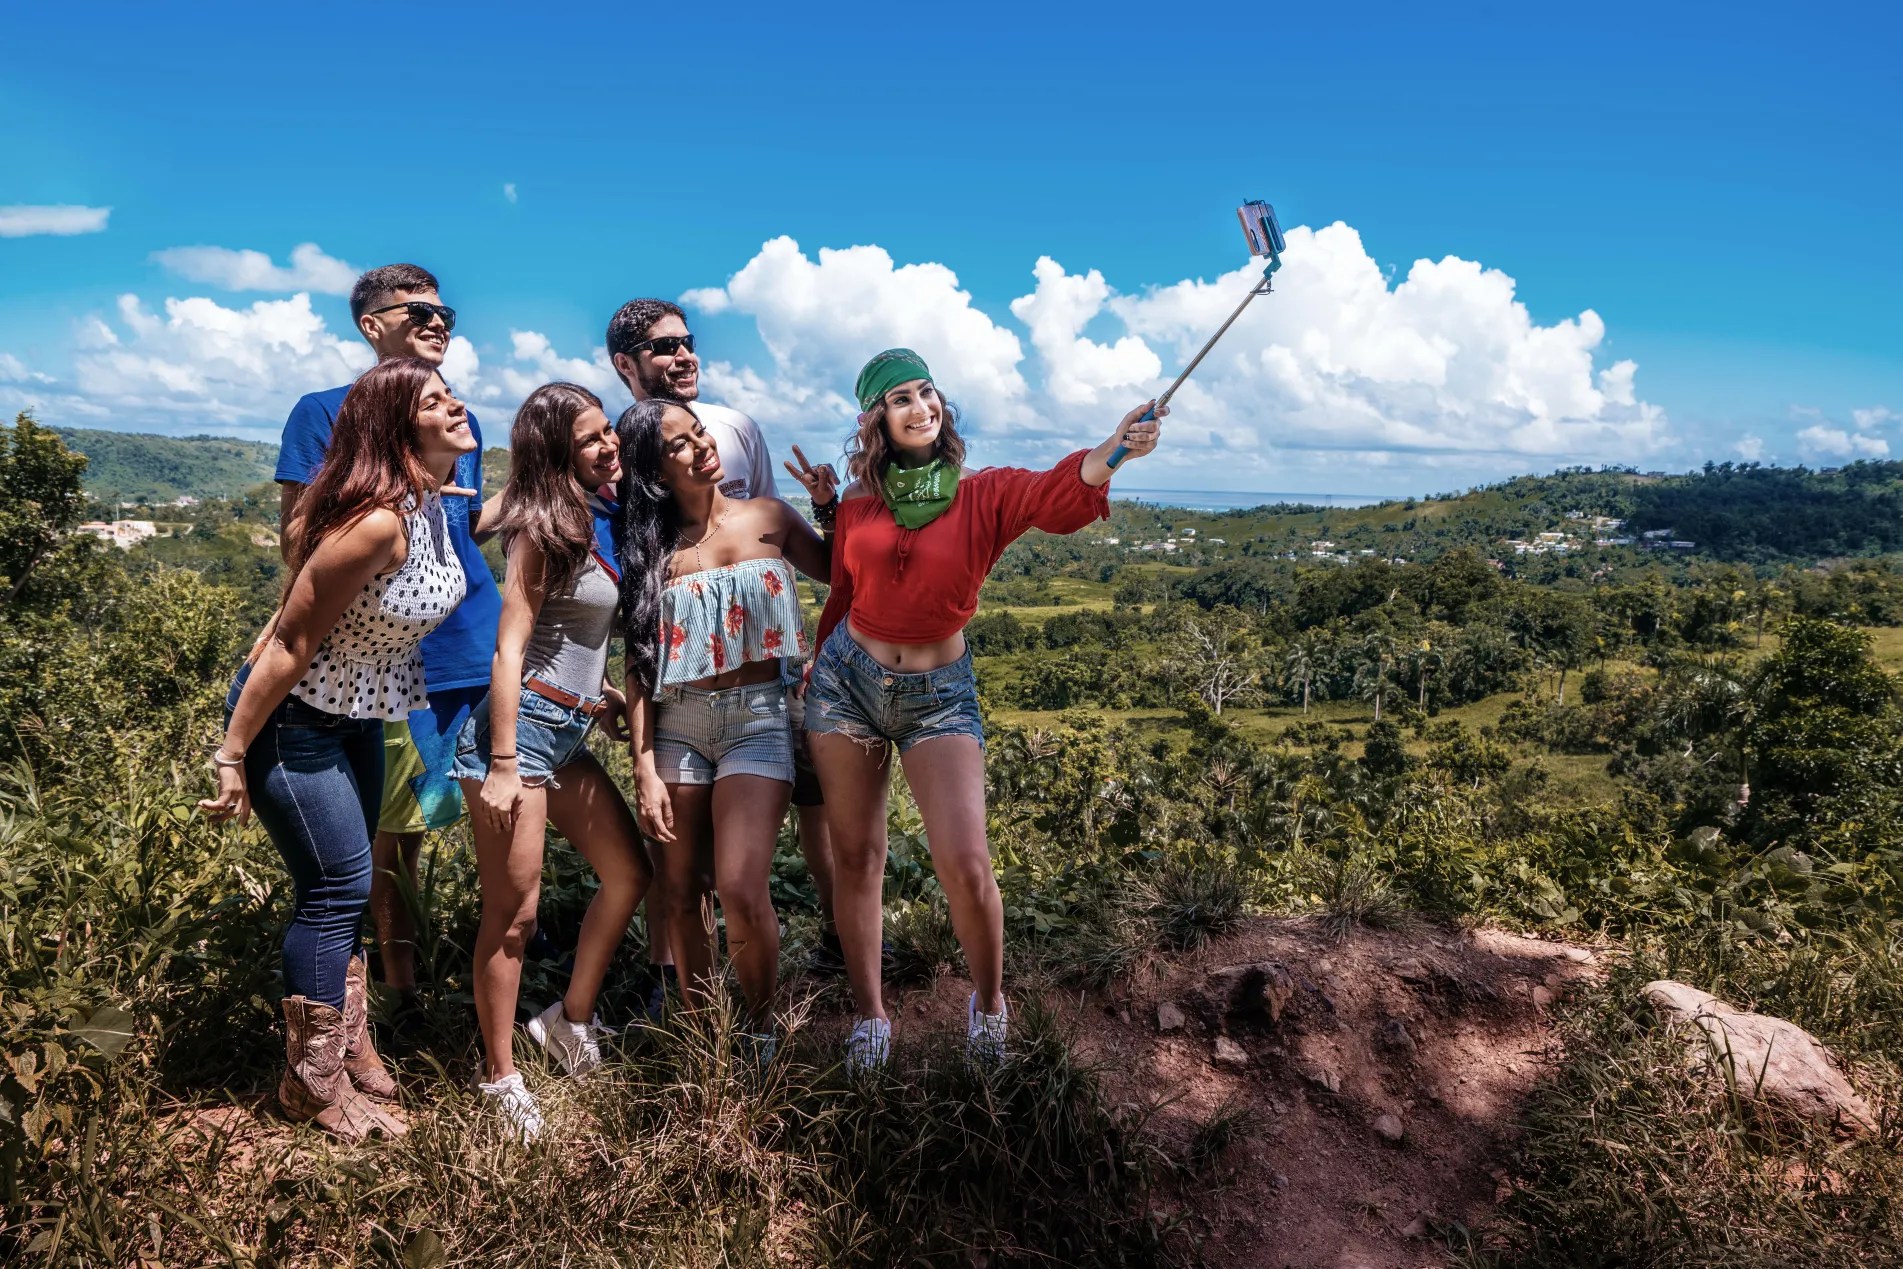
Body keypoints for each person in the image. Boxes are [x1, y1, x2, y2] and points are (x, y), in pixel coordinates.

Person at [808, 349, 1162, 1071]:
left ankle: (990, 1004)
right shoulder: (859, 500)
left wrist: (1117, 447)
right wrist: (819, 659)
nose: (920, 407)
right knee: (856, 858)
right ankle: (871, 1016)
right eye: (900, 398)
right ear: (875, 418)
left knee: (966, 863)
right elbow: (845, 590)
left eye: (927, 392)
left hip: (937, 694)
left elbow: (1059, 491)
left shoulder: (983, 493)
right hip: (845, 685)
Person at [201, 358, 476, 1140]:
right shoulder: (377, 522)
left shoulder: (430, 502)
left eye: (450, 392)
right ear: (396, 426)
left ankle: (349, 1049)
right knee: (334, 889)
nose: (456, 403)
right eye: (434, 400)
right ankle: (310, 1087)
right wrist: (232, 753)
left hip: (358, 713)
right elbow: (289, 641)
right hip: (295, 720)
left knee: (347, 891)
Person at [275, 264, 503, 1009]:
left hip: (474, 642)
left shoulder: (457, 418)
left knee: (502, 815)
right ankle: (397, 998)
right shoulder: (323, 412)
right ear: (372, 326)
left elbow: (458, 526)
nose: (438, 323)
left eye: (446, 314)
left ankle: (497, 979)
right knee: (392, 838)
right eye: (419, 312)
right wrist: (390, 488)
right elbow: (299, 541)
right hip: (386, 662)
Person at [605, 299, 843, 998]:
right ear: (655, 470)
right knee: (681, 890)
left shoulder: (768, 516)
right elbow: (641, 665)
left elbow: (844, 574)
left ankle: (761, 1031)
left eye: (699, 433)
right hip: (679, 722)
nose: (702, 445)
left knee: (740, 885)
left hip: (759, 715)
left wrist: (830, 509)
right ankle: (702, 1030)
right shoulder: (650, 550)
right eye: (680, 444)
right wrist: (643, 766)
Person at [450, 382, 654, 1140]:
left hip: (565, 729)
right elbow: (512, 648)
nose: (609, 445)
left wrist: (597, 696)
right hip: (519, 736)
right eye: (590, 438)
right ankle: (499, 1079)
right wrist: (503, 763)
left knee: (630, 873)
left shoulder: (595, 514)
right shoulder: (541, 528)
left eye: (608, 431)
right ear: (556, 452)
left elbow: (571, 638)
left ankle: (568, 1019)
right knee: (515, 915)